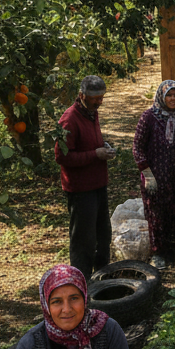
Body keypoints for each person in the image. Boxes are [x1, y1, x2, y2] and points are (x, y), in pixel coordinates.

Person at [132, 80, 175, 270]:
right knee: (157, 214)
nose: (172, 99)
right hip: (156, 176)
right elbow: (137, 147)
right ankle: (158, 253)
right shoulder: (148, 117)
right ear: (161, 96)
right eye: (169, 95)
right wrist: (147, 173)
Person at [55, 75, 117, 280]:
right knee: (84, 240)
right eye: (95, 98)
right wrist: (95, 154)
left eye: (102, 97)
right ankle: (81, 282)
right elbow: (61, 156)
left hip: (99, 184)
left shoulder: (92, 112)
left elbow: (89, 143)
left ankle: (102, 279)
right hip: (81, 190)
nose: (100, 101)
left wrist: (103, 146)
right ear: (82, 96)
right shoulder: (69, 119)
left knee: (103, 235)